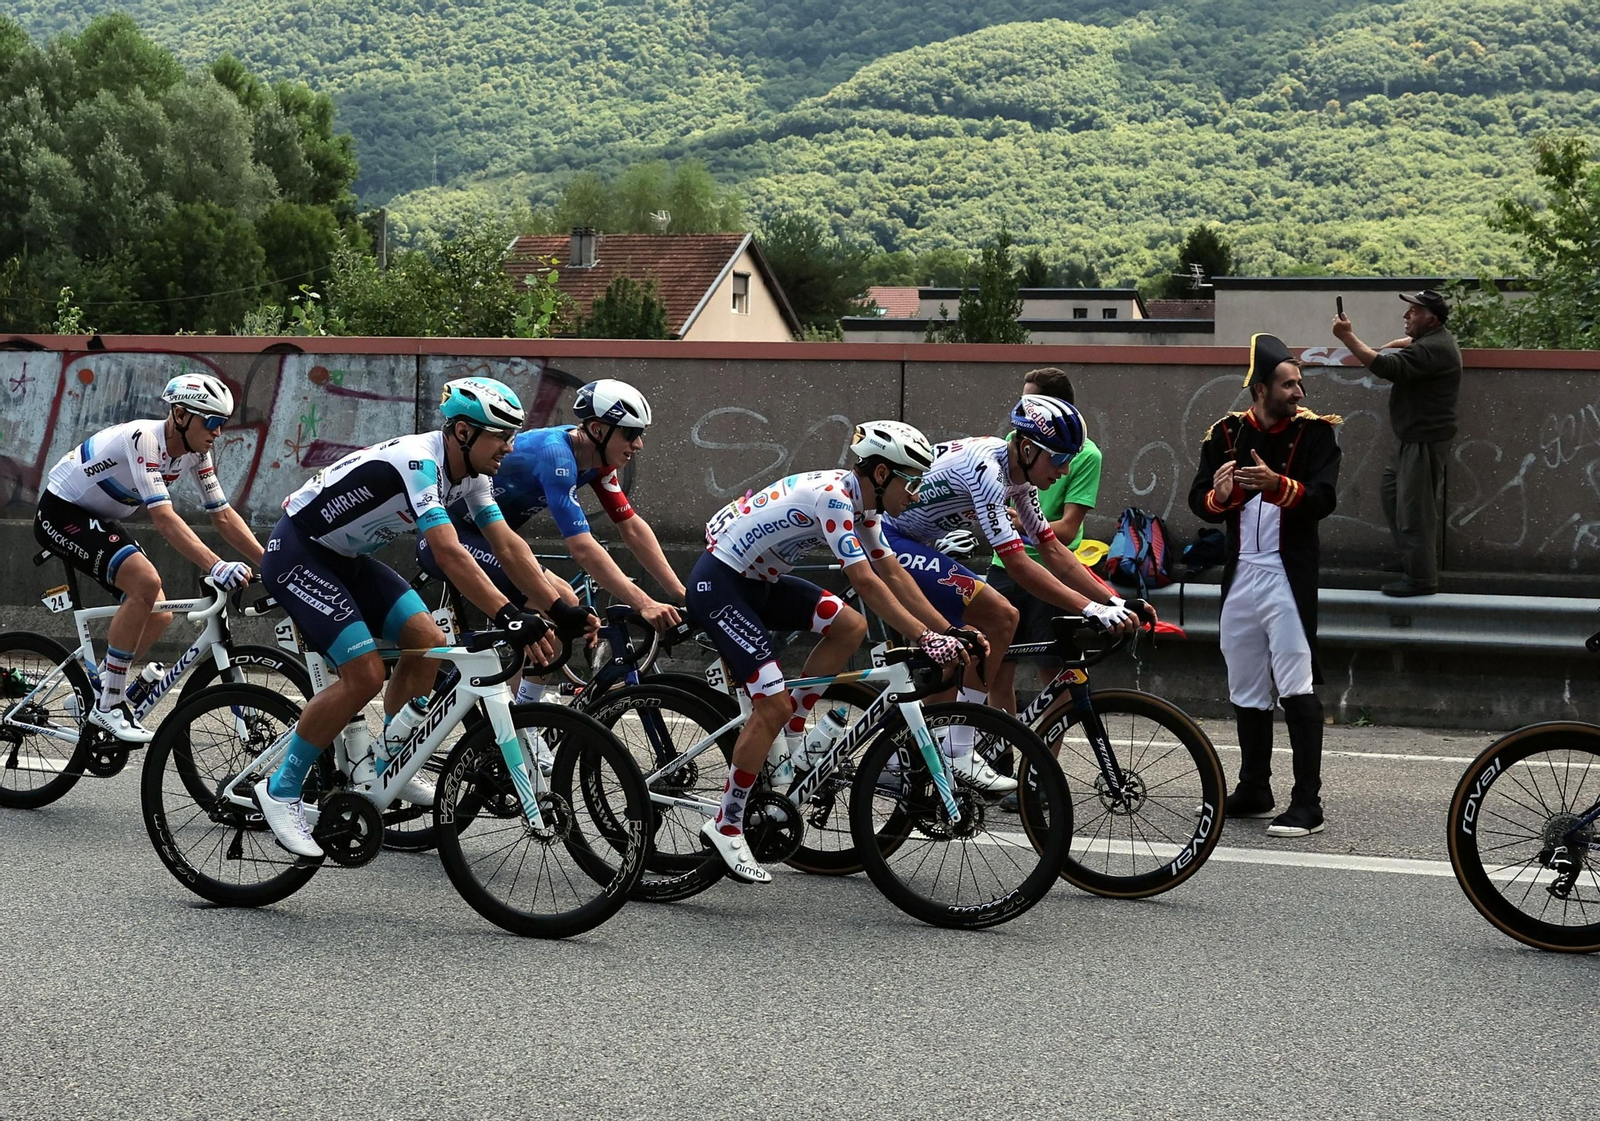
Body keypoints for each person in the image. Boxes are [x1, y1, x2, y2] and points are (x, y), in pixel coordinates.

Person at [255, 377, 565, 860]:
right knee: (364, 675)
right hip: (298, 552)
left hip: (345, 560)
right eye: (500, 436)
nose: (509, 446)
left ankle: (385, 762)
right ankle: (281, 789)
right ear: (463, 432)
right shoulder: (420, 461)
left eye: (511, 436)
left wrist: (557, 606)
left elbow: (506, 544)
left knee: (427, 640)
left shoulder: (473, 476)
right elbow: (449, 552)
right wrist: (508, 613)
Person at [686, 421, 983, 885]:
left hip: (757, 583)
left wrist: (950, 630)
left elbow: (894, 572)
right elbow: (866, 581)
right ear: (882, 474)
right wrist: (926, 639)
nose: (918, 493)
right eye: (913, 481)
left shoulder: (865, 506)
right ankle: (726, 824)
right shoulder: (834, 498)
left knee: (850, 625)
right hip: (720, 585)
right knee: (771, 703)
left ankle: (795, 734)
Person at [884, 395, 1141, 745]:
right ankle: (961, 749)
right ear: (1027, 448)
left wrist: (1113, 602)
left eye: (1070, 459)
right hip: (887, 539)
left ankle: (906, 756)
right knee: (1002, 617)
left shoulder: (1019, 479)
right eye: (1059, 458)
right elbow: (1018, 565)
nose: (1064, 470)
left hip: (914, 543)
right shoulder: (987, 471)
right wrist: (1088, 608)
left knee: (958, 655)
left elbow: (1052, 549)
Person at [416, 378, 683, 711]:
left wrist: (680, 594)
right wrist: (642, 602)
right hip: (449, 540)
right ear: (598, 430)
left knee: (562, 607)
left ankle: (523, 715)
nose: (639, 444)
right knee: (556, 605)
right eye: (631, 433)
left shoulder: (598, 463)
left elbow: (631, 527)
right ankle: (516, 721)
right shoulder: (557, 456)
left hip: (492, 540)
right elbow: (582, 548)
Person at [33, 374, 264, 742]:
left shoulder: (196, 453)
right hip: (62, 511)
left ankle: (98, 691)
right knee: (145, 584)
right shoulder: (144, 438)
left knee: (160, 611)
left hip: (98, 518)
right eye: (213, 422)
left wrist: (270, 563)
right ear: (180, 415)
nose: (218, 432)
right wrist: (216, 565)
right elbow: (164, 518)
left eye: (223, 423)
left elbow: (221, 515)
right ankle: (108, 705)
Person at [1187, 333, 1342, 838]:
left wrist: (1278, 486)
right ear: (1260, 388)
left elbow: (1322, 499)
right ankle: (1254, 788)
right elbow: (1198, 501)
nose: (1299, 392)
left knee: (1296, 686)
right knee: (1246, 685)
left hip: (1287, 576)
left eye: (1299, 383)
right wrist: (1221, 495)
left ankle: (1307, 804)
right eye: (1288, 384)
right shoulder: (1225, 434)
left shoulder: (1317, 435)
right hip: (1241, 575)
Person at [985, 367, 1107, 710]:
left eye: (1029, 402)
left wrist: (1022, 524)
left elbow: (1066, 532)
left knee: (1056, 677)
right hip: (1005, 567)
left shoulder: (1087, 455)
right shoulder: (1018, 449)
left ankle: (1043, 765)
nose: (1021, 411)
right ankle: (1001, 756)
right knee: (996, 672)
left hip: (1051, 573)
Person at [1332, 289, 1462, 597]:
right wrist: (1403, 342)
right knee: (1392, 496)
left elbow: (1388, 368)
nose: (1406, 315)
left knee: (1414, 511)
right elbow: (1415, 349)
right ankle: (1410, 561)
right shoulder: (1435, 341)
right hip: (1411, 438)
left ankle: (1421, 580)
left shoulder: (1434, 349)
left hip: (1423, 440)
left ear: (1431, 320)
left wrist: (1348, 337)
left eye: (1414, 312)